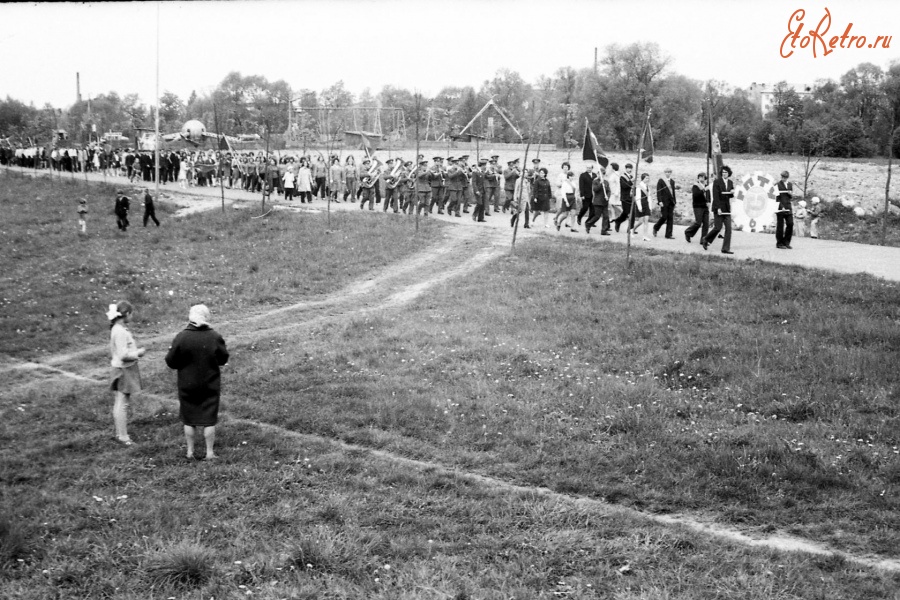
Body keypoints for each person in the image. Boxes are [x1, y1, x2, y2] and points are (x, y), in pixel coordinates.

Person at [165, 305, 229, 460]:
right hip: (209, 383)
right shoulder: (214, 336)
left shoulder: (181, 337)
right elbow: (223, 358)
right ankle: (209, 452)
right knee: (209, 419)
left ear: (190, 317)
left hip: (187, 384)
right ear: (206, 317)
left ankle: (190, 452)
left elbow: (171, 362)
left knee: (189, 417)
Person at [107, 301, 146, 446]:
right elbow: (124, 355)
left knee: (120, 401)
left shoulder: (117, 329)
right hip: (124, 369)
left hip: (119, 368)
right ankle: (123, 436)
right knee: (122, 403)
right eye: (131, 313)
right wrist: (138, 353)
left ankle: (120, 433)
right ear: (127, 314)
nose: (132, 316)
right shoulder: (121, 332)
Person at [702, 165, 735, 254]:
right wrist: (718, 208)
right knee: (718, 227)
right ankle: (706, 239)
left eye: (726, 172)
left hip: (727, 209)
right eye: (723, 172)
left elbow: (730, 195)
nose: (724, 174)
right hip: (718, 208)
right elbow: (716, 197)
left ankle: (725, 248)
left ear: (729, 173)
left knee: (729, 229)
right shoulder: (717, 182)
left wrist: (732, 192)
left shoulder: (731, 183)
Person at [684, 173, 710, 243]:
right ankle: (688, 232)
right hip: (698, 206)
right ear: (698, 178)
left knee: (706, 224)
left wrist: (708, 201)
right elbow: (696, 195)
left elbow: (708, 195)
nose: (702, 178)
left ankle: (703, 239)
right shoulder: (695, 186)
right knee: (698, 223)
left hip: (705, 206)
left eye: (703, 177)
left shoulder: (706, 186)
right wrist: (704, 190)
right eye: (700, 177)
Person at [585, 165, 611, 234]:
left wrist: (608, 196)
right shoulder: (595, 181)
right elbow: (595, 189)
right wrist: (600, 183)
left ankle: (604, 230)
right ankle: (588, 224)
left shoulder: (606, 182)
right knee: (597, 216)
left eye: (602, 174)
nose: (601, 175)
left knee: (606, 216)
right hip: (598, 202)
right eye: (599, 174)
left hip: (604, 201)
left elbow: (608, 191)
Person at [654, 167, 678, 238]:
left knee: (670, 218)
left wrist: (674, 201)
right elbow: (659, 191)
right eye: (666, 172)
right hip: (664, 202)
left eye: (669, 172)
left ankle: (668, 234)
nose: (668, 173)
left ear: (671, 173)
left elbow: (673, 192)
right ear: (664, 173)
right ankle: (656, 227)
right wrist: (660, 201)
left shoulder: (672, 181)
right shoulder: (661, 181)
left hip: (671, 202)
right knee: (664, 216)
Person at [775, 170, 795, 249]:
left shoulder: (790, 184)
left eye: (785, 177)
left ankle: (786, 242)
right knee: (780, 225)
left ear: (787, 178)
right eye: (782, 177)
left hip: (788, 206)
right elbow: (776, 197)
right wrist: (781, 206)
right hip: (780, 207)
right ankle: (779, 243)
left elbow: (790, 197)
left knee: (790, 224)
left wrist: (791, 195)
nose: (783, 179)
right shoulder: (777, 185)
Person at [613, 163, 634, 232]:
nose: (630, 170)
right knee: (626, 212)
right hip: (625, 197)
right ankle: (618, 221)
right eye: (628, 168)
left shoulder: (631, 177)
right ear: (626, 169)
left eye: (631, 168)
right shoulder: (622, 177)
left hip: (631, 197)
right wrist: (631, 181)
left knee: (633, 212)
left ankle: (630, 228)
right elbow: (624, 186)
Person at [632, 173, 651, 240]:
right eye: (646, 178)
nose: (647, 179)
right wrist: (639, 207)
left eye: (648, 178)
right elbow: (637, 198)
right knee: (640, 221)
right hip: (641, 205)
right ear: (643, 178)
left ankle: (645, 236)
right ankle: (632, 230)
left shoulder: (647, 186)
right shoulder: (639, 187)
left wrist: (650, 206)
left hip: (646, 205)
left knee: (646, 220)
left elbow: (649, 197)